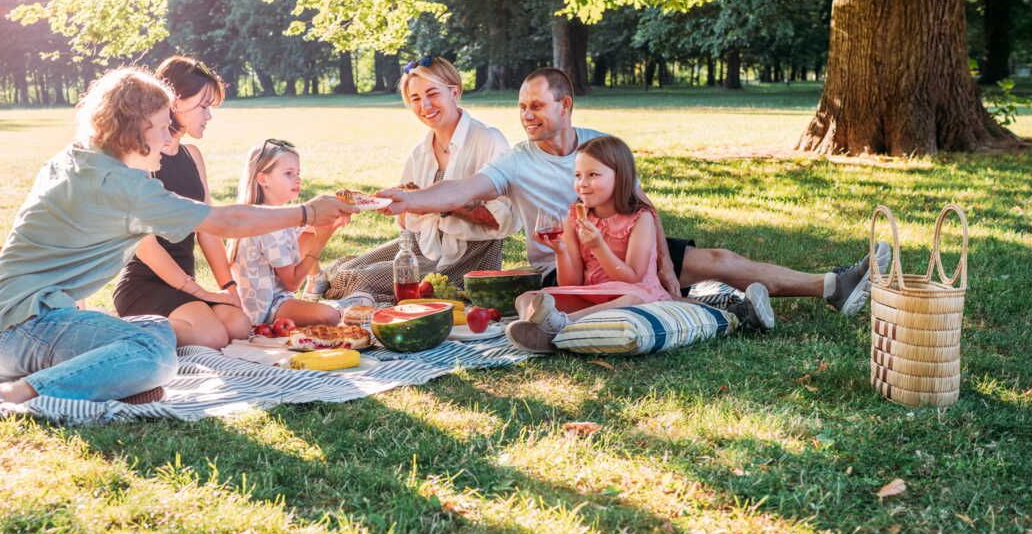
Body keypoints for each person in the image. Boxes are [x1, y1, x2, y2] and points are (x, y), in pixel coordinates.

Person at [0, 68, 354, 430]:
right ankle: (2, 397)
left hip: (2, 325)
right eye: (161, 126)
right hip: (22, 331)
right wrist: (306, 213)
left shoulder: (75, 159)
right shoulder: (123, 187)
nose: (167, 136)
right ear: (136, 128)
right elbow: (225, 222)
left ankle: (108, 381)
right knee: (154, 354)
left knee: (156, 328)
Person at [379, 67, 889, 342]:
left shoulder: (602, 145)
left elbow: (642, 206)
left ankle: (831, 286)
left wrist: (664, 263)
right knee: (586, 299)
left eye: (536, 106)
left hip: (628, 246)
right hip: (569, 265)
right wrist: (412, 198)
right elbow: (462, 191)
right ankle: (725, 308)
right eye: (521, 107)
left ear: (565, 105)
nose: (526, 116)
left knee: (718, 259)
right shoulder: (516, 160)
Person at [505, 136, 771, 351]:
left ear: (620, 176)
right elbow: (570, 283)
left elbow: (633, 276)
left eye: (593, 175)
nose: (582, 184)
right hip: (594, 295)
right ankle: (534, 329)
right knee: (526, 297)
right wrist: (561, 251)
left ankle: (561, 325)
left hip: (635, 292)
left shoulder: (640, 218)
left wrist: (598, 247)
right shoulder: (574, 216)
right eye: (577, 175)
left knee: (631, 298)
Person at [322, 56, 518, 303]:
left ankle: (370, 302)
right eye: (415, 98)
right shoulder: (421, 151)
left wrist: (434, 203)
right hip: (421, 246)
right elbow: (408, 222)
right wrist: (393, 203)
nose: (425, 105)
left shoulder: (487, 140)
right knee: (339, 269)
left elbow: (503, 222)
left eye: (432, 94)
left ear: (454, 92)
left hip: (466, 257)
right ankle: (354, 299)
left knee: (354, 279)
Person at [112, 56, 251, 348]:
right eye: (203, 106)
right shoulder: (142, 159)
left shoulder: (192, 156)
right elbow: (144, 244)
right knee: (211, 336)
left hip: (185, 284)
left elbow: (208, 230)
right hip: (145, 284)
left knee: (238, 325)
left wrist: (228, 287)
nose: (209, 116)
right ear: (174, 102)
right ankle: (114, 331)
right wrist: (198, 291)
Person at [229, 139, 345, 327]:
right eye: (288, 173)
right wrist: (323, 238)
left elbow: (306, 230)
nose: (297, 179)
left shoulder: (266, 214)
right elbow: (292, 283)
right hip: (265, 311)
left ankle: (315, 282)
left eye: (298, 173)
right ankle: (316, 288)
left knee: (308, 230)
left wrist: (328, 221)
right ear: (263, 179)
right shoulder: (269, 226)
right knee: (331, 315)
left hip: (270, 301)